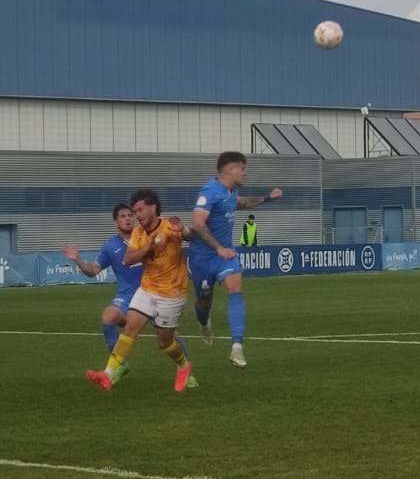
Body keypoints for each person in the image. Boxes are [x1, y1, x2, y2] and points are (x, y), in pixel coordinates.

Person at [86, 189, 194, 392]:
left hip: (172, 294)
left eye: (140, 210)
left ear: (153, 208)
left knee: (165, 343)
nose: (137, 215)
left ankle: (184, 365)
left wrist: (185, 230)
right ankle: (108, 374)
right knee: (130, 329)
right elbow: (128, 259)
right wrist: (147, 248)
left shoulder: (170, 227)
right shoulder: (138, 233)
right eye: (135, 211)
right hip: (147, 289)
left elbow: (193, 237)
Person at [188, 152, 282, 368]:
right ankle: (204, 322)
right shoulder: (210, 191)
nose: (245, 173)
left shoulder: (231, 192)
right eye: (243, 168)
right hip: (203, 258)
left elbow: (243, 202)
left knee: (235, 289)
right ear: (230, 170)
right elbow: (197, 224)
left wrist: (268, 198)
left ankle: (237, 348)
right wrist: (218, 248)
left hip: (226, 255)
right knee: (204, 302)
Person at [61, 203, 142, 353]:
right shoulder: (110, 247)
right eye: (123, 216)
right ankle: (118, 365)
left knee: (167, 335)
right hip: (126, 296)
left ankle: (184, 368)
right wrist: (77, 259)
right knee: (108, 317)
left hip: (152, 291)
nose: (127, 219)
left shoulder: (145, 236)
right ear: (115, 222)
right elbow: (92, 271)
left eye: (130, 215)